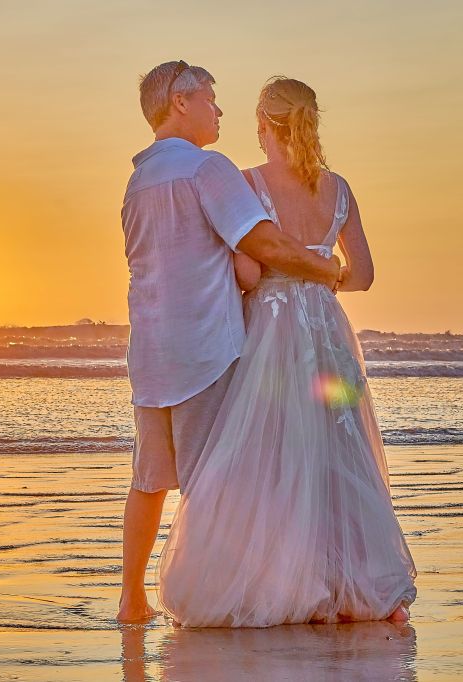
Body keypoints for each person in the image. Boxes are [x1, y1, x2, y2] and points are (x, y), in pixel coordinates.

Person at [157, 77, 418, 627]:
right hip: (326, 330)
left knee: (270, 454)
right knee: (338, 453)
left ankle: (295, 587)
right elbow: (364, 276)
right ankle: (363, 588)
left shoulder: (249, 183)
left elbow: (250, 268)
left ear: (263, 125)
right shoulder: (338, 188)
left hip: (272, 331)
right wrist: (324, 280)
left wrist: (263, 278)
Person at [117, 63, 342, 623]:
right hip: (206, 347)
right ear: (180, 102)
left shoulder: (139, 179)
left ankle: (132, 598)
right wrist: (324, 268)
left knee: (149, 480)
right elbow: (261, 241)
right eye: (212, 100)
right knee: (212, 481)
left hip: (150, 350)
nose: (219, 112)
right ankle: (216, 599)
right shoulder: (207, 168)